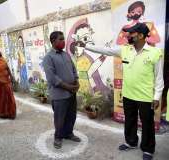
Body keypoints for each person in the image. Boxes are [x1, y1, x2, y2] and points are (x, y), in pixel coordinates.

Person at [84, 23, 164, 160]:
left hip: (146, 97)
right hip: (128, 94)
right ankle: (131, 142)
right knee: (130, 121)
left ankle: (148, 149)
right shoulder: (125, 50)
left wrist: (156, 97)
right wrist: (86, 46)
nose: (128, 35)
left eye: (131, 33)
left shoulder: (155, 53)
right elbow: (105, 50)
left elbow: (159, 78)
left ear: (140, 35)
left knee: (147, 124)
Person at [43, 31, 81, 149]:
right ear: (53, 41)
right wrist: (68, 87)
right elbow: (52, 78)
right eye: (61, 39)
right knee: (60, 118)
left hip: (71, 93)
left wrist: (76, 81)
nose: (63, 41)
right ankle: (58, 137)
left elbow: (73, 69)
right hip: (59, 95)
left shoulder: (66, 54)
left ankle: (68, 133)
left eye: (63, 39)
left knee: (71, 115)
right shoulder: (48, 58)